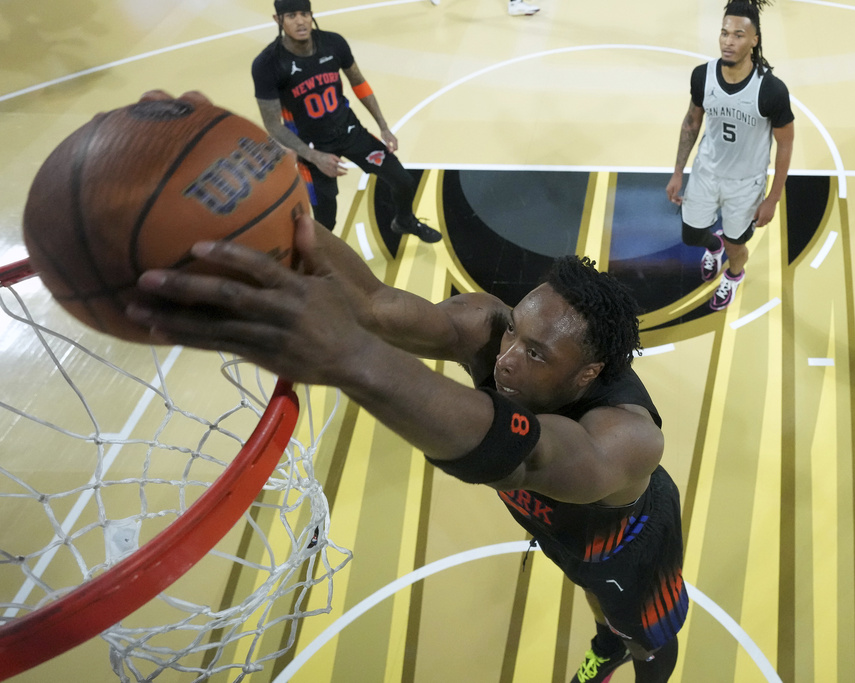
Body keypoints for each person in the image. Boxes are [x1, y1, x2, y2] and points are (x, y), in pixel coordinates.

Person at [127, 88, 687, 683]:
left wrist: (348, 357)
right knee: (593, 597)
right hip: (557, 530)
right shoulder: (487, 328)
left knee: (646, 637)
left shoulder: (628, 440)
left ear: (588, 374)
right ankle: (608, 639)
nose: (506, 358)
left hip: (625, 547)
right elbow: (375, 305)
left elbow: (522, 457)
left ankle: (626, 650)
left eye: (535, 354)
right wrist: (271, 209)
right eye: (514, 332)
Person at [251, 0, 441, 242]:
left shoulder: (333, 43)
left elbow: (358, 82)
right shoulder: (267, 64)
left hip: (350, 132)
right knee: (326, 220)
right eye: (291, 16)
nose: (300, 21)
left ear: (311, 15)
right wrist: (314, 157)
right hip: (312, 149)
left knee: (403, 181)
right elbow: (273, 125)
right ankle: (317, 256)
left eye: (304, 14)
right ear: (278, 20)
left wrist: (384, 127)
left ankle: (404, 220)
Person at [665, 0, 794, 310]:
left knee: (737, 246)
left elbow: (786, 144)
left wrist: (773, 198)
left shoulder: (771, 90)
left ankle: (734, 275)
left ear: (754, 40)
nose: (728, 41)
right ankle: (714, 246)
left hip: (745, 184)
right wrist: (678, 171)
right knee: (692, 235)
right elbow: (691, 122)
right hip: (706, 173)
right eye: (724, 33)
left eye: (738, 35)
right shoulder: (703, 76)